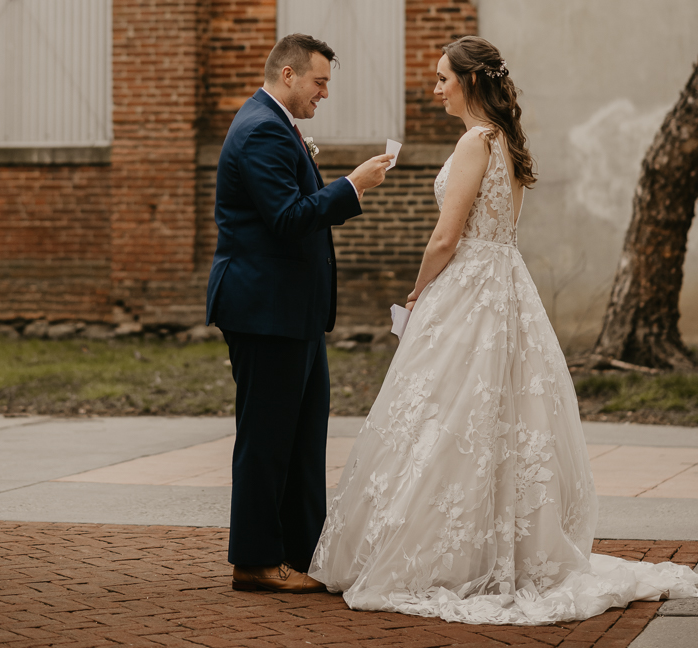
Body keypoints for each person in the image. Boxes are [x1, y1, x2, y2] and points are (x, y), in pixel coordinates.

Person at [309, 35, 698, 624]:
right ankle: (498, 547)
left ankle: (449, 555)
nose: (435, 89)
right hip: (504, 285)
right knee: (493, 418)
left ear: (470, 81)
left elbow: (446, 236)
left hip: (468, 286)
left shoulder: (475, 141)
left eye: (443, 78)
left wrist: (418, 290)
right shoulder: (508, 142)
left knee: (449, 418)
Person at [206, 32, 393, 595]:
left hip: (294, 312)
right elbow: (288, 217)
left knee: (304, 436)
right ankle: (256, 560)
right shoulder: (262, 128)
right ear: (288, 75)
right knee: (266, 437)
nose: (324, 94)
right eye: (320, 82)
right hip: (264, 309)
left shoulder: (276, 124)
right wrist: (351, 187)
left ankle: (305, 552)